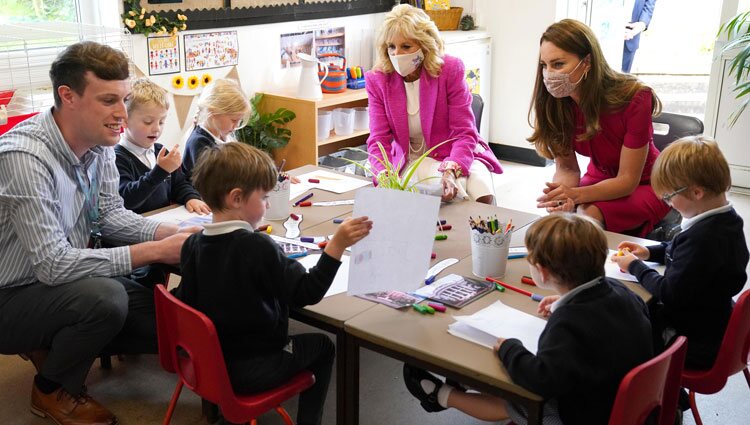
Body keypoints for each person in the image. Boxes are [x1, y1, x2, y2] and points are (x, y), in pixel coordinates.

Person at [0, 41, 195, 425]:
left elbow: (109, 215)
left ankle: (55, 341)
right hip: (12, 293)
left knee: (163, 324)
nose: (122, 114)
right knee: (105, 299)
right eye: (109, 100)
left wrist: (168, 231)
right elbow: (53, 265)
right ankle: (51, 388)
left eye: (123, 100)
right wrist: (155, 251)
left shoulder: (98, 142)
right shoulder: (23, 157)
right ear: (67, 96)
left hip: (59, 279)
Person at [174, 142, 372, 425]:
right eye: (265, 197)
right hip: (253, 368)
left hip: (208, 365)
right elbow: (308, 292)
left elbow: (189, 302)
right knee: (323, 346)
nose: (268, 204)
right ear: (236, 198)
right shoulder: (257, 246)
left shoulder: (192, 244)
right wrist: (337, 245)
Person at [403, 213, 653, 425]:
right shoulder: (624, 293)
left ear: (542, 272)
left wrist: (510, 349)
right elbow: (601, 323)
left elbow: (540, 382)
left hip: (587, 416)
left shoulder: (569, 322)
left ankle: (443, 396)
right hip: (633, 404)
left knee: (515, 400)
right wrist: (563, 302)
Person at [611, 136, 749, 369]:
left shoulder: (702, 240)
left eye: (669, 196)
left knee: (623, 330)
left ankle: (663, 394)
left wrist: (635, 266)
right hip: (716, 324)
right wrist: (648, 252)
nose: (668, 204)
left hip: (692, 344)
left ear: (696, 193)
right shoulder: (726, 221)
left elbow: (668, 292)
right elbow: (680, 251)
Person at [530, 18, 670, 237]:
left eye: (558, 64)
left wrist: (575, 196)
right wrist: (561, 198)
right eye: (544, 65)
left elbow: (627, 180)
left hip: (647, 183)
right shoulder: (555, 103)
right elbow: (567, 169)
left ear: (587, 62)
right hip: (599, 179)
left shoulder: (636, 97)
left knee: (587, 214)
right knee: (559, 222)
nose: (549, 74)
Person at [365, 4, 502, 205]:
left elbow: (464, 132)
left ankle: (483, 236)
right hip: (410, 159)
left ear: (425, 45)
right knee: (442, 196)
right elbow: (378, 140)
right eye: (391, 46)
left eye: (406, 46)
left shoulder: (449, 70)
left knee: (480, 191)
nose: (396, 54)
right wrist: (383, 174)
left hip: (455, 152)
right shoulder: (378, 80)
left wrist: (451, 169)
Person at [116, 77, 210, 215]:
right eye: (148, 122)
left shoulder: (160, 151)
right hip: (137, 228)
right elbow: (127, 200)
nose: (156, 129)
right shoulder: (117, 157)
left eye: (161, 122)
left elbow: (180, 184)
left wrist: (191, 197)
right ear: (124, 121)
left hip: (164, 220)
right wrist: (160, 171)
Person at [182, 78, 250, 181]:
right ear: (213, 112)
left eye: (239, 121)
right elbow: (214, 182)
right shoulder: (199, 142)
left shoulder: (226, 136)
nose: (236, 126)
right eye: (233, 120)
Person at [622, 0, 657, 73]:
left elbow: (649, 3)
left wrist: (642, 23)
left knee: (622, 80)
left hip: (630, 33)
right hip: (603, 29)